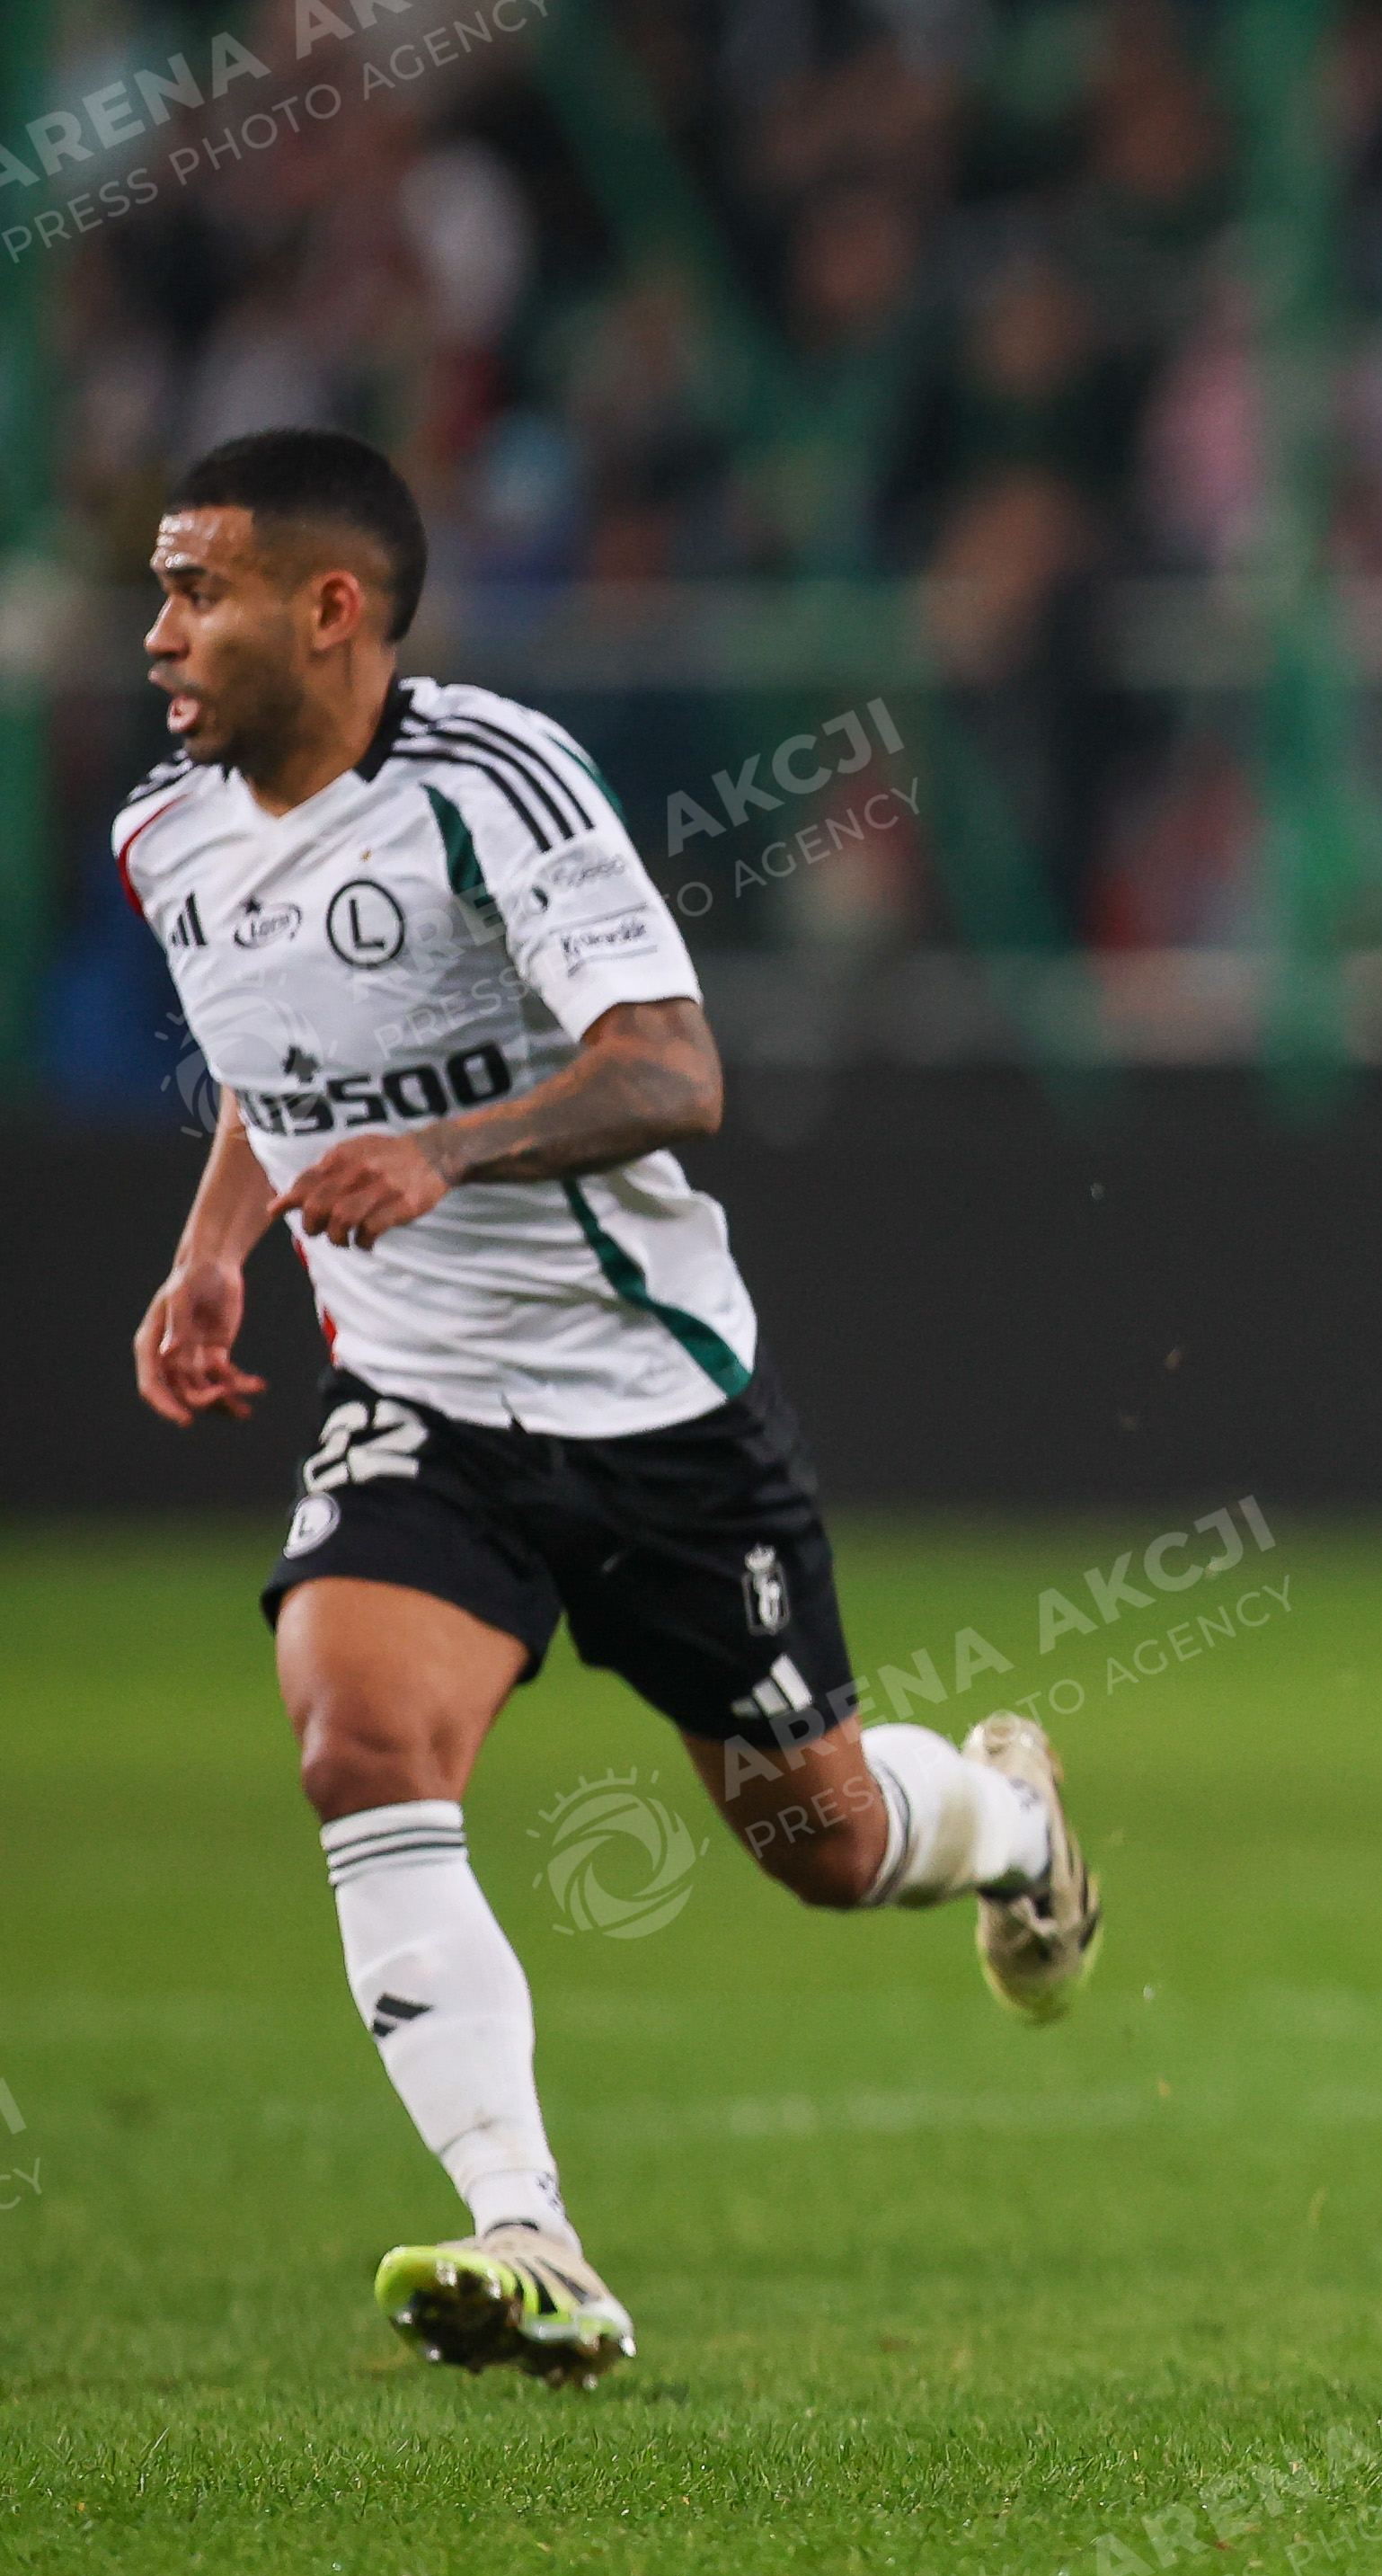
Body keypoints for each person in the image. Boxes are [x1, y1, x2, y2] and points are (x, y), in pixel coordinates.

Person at [122, 429, 1100, 2385]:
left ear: (330, 610)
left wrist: (445, 1151)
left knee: (823, 1841)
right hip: (419, 1397)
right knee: (358, 1740)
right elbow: (277, 1050)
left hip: (653, 1403)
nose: (157, 633)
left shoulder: (493, 783)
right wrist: (215, 1242)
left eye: (196, 590)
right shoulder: (167, 835)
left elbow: (670, 1069)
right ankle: (529, 2231)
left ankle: (1009, 1822)